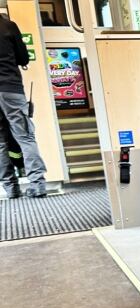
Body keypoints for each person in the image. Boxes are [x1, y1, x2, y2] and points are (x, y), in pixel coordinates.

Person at [0, 13, 47, 198]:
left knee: (0, 143)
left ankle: (11, 189)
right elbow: (23, 58)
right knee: (25, 136)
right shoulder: (8, 26)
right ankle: (37, 185)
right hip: (10, 88)